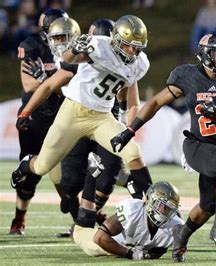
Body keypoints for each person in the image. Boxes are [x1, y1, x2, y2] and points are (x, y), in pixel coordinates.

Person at [109, 31, 216, 262]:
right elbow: (156, 102)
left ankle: (181, 237)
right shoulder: (188, 75)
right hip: (197, 145)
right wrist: (130, 130)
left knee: (206, 206)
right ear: (204, 55)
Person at [11, 14, 154, 218]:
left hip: (102, 117)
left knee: (132, 151)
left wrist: (127, 125)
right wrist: (75, 49)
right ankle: (25, 165)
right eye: (127, 45)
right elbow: (67, 62)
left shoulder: (141, 63)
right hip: (73, 113)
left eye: (137, 47)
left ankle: (151, 196)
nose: (132, 51)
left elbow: (125, 87)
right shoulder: (99, 46)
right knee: (42, 165)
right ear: (115, 40)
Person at [9, 8, 69, 235]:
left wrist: (47, 79)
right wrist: (53, 81)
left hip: (63, 112)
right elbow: (29, 85)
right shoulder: (32, 45)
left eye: (66, 33)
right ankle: (19, 219)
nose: (63, 39)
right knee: (31, 174)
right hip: (35, 115)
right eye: (59, 34)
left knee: (69, 171)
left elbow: (73, 84)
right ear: (47, 33)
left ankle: (83, 215)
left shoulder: (74, 48)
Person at [73, 181, 183, 260]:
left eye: (169, 209)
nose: (164, 212)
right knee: (81, 233)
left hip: (119, 236)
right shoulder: (132, 210)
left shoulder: (175, 227)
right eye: (161, 205)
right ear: (150, 200)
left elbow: (158, 251)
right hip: (100, 242)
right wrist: (129, 253)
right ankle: (91, 175)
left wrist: (147, 254)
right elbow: (99, 238)